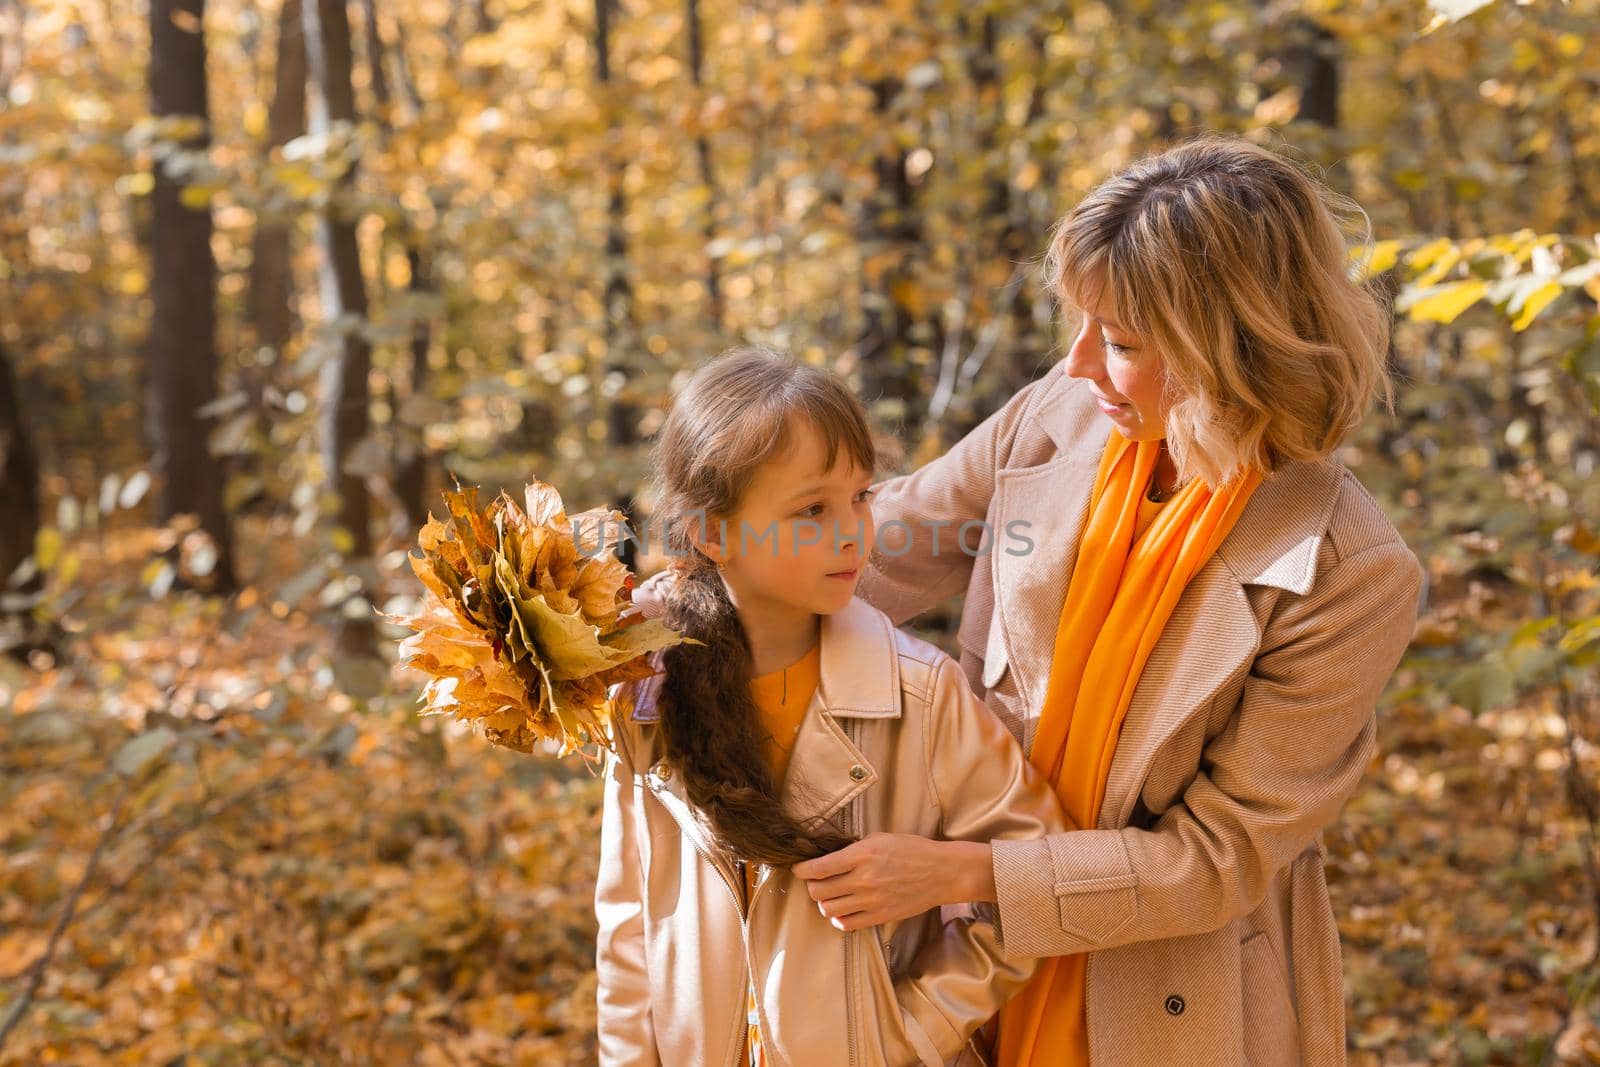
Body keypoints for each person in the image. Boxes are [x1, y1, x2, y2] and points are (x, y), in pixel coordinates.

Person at [635, 136, 1425, 1064]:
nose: (1080, 362)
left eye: (1123, 342)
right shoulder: (1058, 414)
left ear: (1232, 352)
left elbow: (1218, 861)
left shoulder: (1350, 569)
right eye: (1082, 326)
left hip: (1174, 997)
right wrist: (639, 616)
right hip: (965, 956)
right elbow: (870, 549)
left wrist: (967, 871)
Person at [594, 346, 1070, 1067]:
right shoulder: (647, 698)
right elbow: (628, 920)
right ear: (712, 532)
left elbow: (1032, 875)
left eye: (862, 496)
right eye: (813, 508)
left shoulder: (920, 692)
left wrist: (909, 1032)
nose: (852, 530)